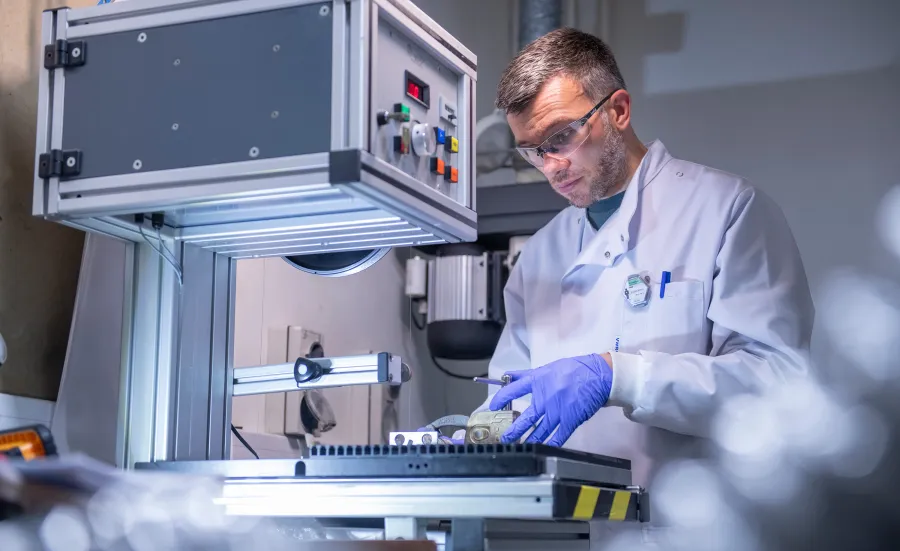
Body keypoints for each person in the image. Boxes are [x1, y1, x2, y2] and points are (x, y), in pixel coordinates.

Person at [473, 27, 815, 528]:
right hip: (566, 534)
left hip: (694, 530)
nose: (552, 165)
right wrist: (471, 437)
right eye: (532, 150)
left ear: (618, 110)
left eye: (562, 136)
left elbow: (776, 384)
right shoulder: (540, 255)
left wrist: (622, 375)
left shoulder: (726, 210)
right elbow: (508, 399)